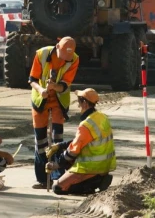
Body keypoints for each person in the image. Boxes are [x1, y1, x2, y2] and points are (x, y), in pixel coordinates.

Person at [28, 36, 79, 189]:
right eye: (63, 56)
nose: (65, 60)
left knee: (57, 140)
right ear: (57, 47)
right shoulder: (41, 54)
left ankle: (58, 176)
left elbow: (65, 84)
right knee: (41, 141)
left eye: (67, 58)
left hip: (58, 100)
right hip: (40, 99)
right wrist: (42, 90)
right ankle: (42, 178)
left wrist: (54, 87)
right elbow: (32, 79)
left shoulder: (74, 59)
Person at [45, 88, 116, 195]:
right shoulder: (101, 117)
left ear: (85, 103)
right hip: (104, 165)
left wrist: (56, 165)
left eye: (79, 102)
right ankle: (100, 178)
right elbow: (81, 141)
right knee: (68, 162)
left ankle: (93, 183)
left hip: (90, 168)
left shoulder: (86, 125)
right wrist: (59, 146)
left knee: (58, 188)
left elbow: (72, 152)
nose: (78, 106)